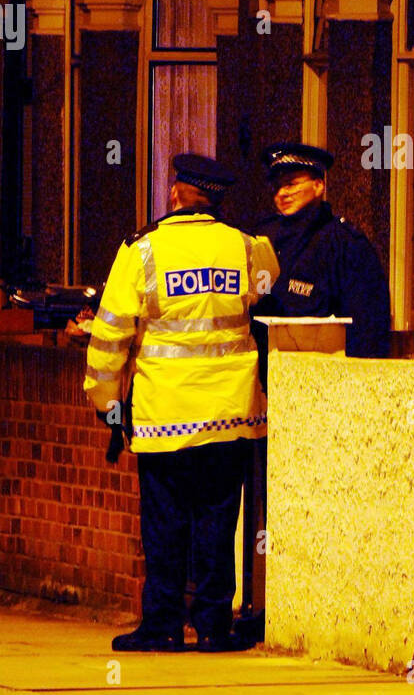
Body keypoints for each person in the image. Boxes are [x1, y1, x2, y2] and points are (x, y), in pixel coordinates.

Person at [83, 153, 278, 652]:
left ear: (175, 194)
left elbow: (109, 337)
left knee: (165, 523)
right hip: (228, 414)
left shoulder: (142, 249)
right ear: (213, 199)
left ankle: (163, 625)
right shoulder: (245, 247)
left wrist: (106, 403)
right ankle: (215, 626)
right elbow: (269, 289)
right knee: (218, 518)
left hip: (163, 414)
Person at [252, 142, 391, 364]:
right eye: (277, 187)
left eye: (291, 184)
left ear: (318, 186)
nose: (282, 194)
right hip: (265, 371)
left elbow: (368, 324)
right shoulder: (263, 237)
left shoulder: (344, 243)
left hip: (320, 375)